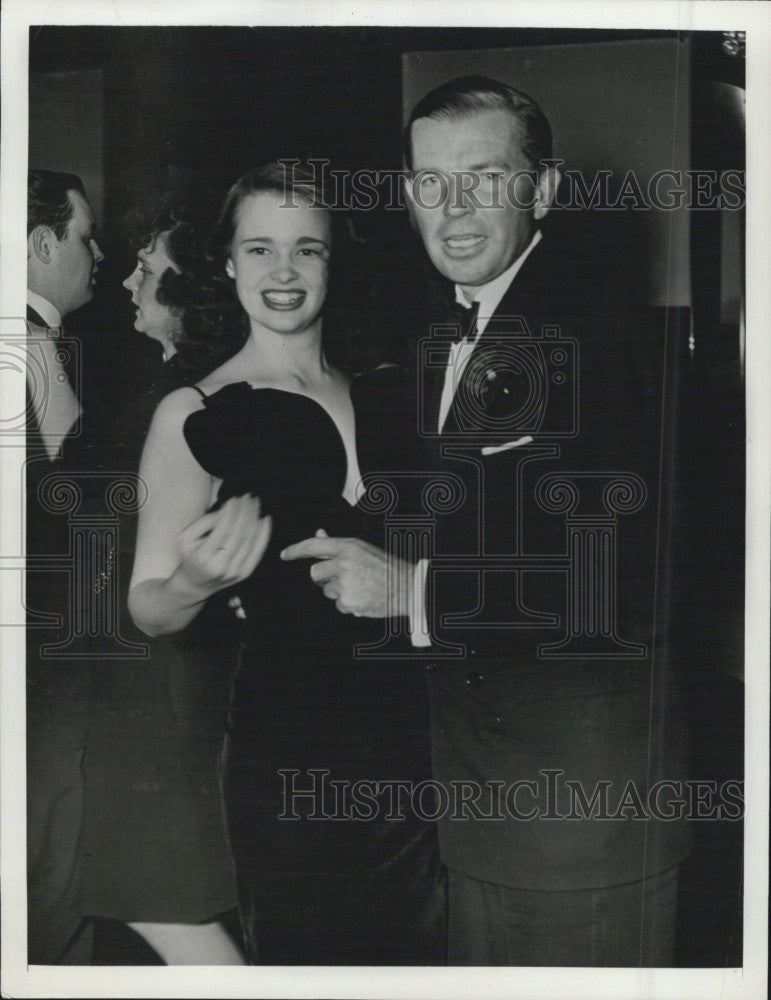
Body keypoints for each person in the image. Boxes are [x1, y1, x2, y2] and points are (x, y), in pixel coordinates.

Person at [282, 76, 691, 966]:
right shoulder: (458, 330)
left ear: (540, 190)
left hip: (574, 819)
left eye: (484, 176)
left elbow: (628, 585)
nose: (453, 207)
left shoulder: (590, 332)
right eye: (430, 181)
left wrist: (409, 590)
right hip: (486, 804)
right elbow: (483, 519)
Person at [128, 163, 446, 965]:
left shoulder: (390, 392)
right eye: (260, 248)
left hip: (423, 737)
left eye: (307, 250)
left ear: (334, 262)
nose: (283, 272)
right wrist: (197, 582)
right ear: (227, 262)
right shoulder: (194, 412)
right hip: (291, 748)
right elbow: (146, 605)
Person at [76, 200, 245, 964]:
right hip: (165, 682)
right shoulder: (196, 385)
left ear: (190, 294)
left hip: (157, 690)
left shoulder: (183, 400)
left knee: (163, 907)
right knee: (160, 902)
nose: (128, 283)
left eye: (147, 270)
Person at [26, 169, 104, 963]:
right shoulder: (30, 345)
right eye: (86, 236)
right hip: (44, 664)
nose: (98, 254)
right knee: (53, 869)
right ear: (42, 243)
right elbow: (82, 517)